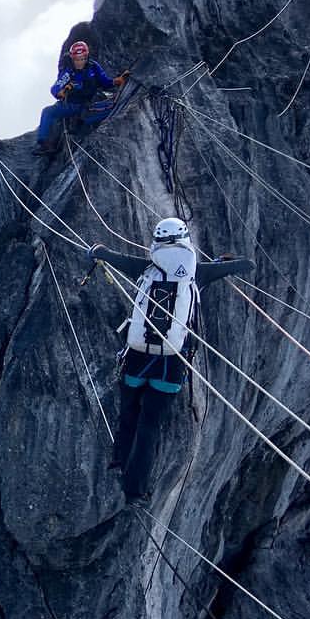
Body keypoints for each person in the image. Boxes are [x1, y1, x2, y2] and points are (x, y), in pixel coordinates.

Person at [87, 218, 255, 504]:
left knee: (129, 412)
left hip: (137, 358)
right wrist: (224, 262)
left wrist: (97, 250)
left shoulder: (145, 268)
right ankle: (134, 491)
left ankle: (118, 459)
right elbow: (247, 265)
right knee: (149, 426)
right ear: (185, 239)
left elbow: (105, 254)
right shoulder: (197, 273)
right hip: (171, 364)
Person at [34, 41, 128, 155]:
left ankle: (80, 122)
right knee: (47, 111)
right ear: (72, 59)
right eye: (77, 59)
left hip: (87, 105)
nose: (79, 62)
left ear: (86, 57)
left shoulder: (93, 67)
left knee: (105, 112)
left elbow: (105, 82)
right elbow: (55, 88)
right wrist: (61, 92)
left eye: (82, 59)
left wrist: (117, 81)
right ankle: (44, 144)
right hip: (70, 106)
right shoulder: (69, 72)